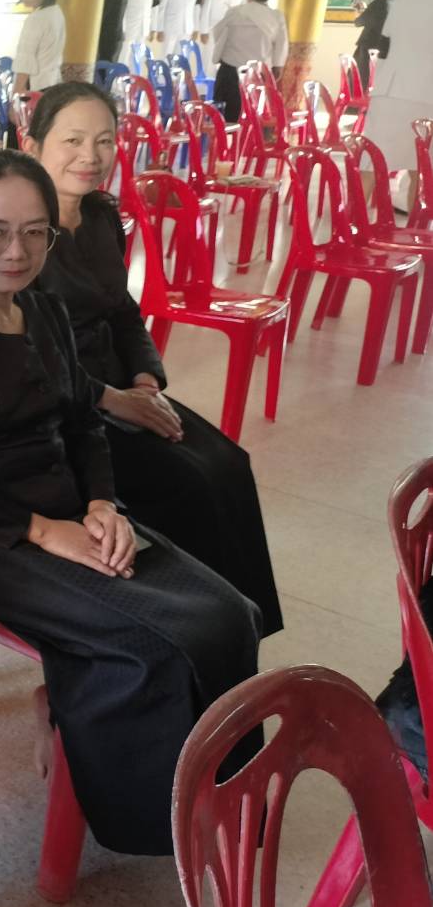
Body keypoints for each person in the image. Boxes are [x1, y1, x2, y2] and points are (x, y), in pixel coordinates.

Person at [0, 149, 263, 857]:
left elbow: (84, 425)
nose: (16, 250)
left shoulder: (46, 312)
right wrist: (41, 531)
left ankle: (221, 793)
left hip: (72, 513)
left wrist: (102, 505)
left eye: (35, 232)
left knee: (230, 614)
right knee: (154, 642)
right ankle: (151, 823)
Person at [24, 81, 282, 633]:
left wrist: (145, 382)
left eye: (104, 141)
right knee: (188, 483)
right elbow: (23, 356)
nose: (90, 156)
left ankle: (246, 626)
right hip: (59, 411)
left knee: (228, 465)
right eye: (72, 140)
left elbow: (123, 312)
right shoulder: (17, 236)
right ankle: (193, 624)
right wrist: (113, 400)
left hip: (122, 390)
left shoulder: (101, 219)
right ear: (32, 146)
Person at [363, 0, 433, 204]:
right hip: (428, 96)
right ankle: (416, 224)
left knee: (371, 162)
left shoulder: (403, 0)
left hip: (392, 91)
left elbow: (386, 43)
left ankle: (354, 221)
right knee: (423, 170)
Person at [210, 0, 288, 122]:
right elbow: (282, 44)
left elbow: (217, 33)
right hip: (258, 73)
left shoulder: (235, 12)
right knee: (253, 113)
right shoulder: (276, 16)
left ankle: (226, 135)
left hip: (230, 70)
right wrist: (278, 66)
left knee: (227, 114)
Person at [353, 0, 407, 91]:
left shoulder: (379, 4)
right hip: (391, 49)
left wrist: (358, 12)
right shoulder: (406, 6)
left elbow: (359, 22)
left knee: (362, 81)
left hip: (369, 47)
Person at [14, 0, 64, 94]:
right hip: (54, 83)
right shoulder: (57, 12)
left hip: (37, 85)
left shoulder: (36, 18)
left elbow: (25, 59)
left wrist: (17, 92)